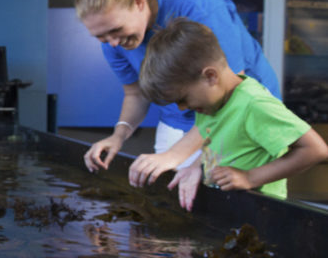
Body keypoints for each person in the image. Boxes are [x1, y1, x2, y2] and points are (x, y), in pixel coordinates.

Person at [74, 0, 281, 180]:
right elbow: (136, 93)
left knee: (222, 190)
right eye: (101, 37)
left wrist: (176, 155)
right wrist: (119, 135)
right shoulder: (113, 42)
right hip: (181, 116)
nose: (112, 42)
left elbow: (230, 93)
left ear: (139, 1)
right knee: (167, 187)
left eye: (115, 30)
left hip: (236, 111)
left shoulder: (200, 7)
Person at [138, 19, 328, 210]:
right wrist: (197, 167)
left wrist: (249, 177)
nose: (182, 108)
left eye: (183, 99)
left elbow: (315, 149)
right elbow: (218, 142)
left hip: (258, 212)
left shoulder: (253, 104)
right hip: (227, 208)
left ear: (211, 76)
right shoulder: (212, 103)